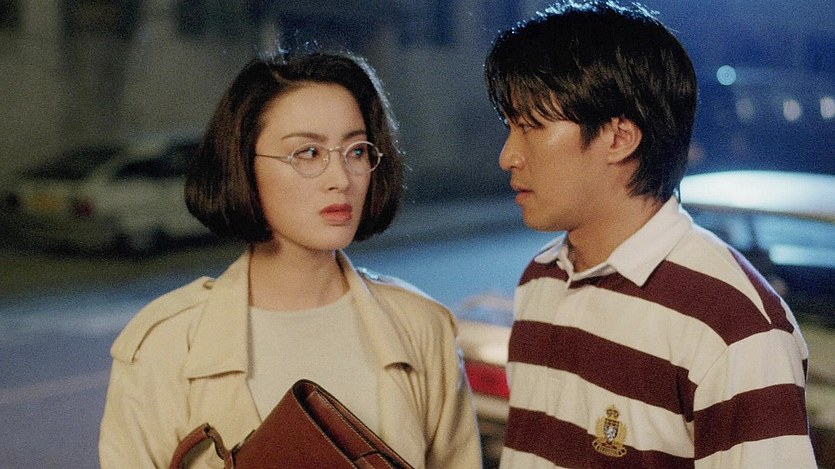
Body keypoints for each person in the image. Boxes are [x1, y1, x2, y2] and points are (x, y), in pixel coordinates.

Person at [99, 49, 482, 468]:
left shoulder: (423, 328)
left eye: (356, 151)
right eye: (308, 153)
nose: (341, 179)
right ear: (244, 165)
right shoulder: (165, 344)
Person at [484, 1, 817, 467]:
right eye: (509, 126)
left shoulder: (733, 326)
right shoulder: (541, 279)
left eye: (530, 127)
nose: (509, 156)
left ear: (619, 137)